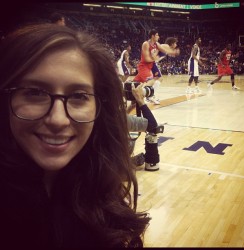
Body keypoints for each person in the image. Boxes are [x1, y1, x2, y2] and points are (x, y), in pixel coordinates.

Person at [0, 23, 150, 248]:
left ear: (100, 107)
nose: (58, 120)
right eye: (35, 92)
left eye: (79, 95)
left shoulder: (105, 195)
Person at [133, 29, 179, 105]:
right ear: (152, 36)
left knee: (137, 83)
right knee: (151, 80)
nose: (159, 37)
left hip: (152, 64)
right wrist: (155, 57)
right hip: (145, 66)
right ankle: (145, 95)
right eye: (157, 35)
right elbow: (147, 59)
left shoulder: (156, 44)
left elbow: (163, 50)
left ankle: (148, 95)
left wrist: (173, 52)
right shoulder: (146, 44)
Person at [127, 83, 162, 171]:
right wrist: (141, 102)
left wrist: (128, 109)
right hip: (107, 169)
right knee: (128, 141)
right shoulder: (116, 119)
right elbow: (152, 125)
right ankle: (122, 163)